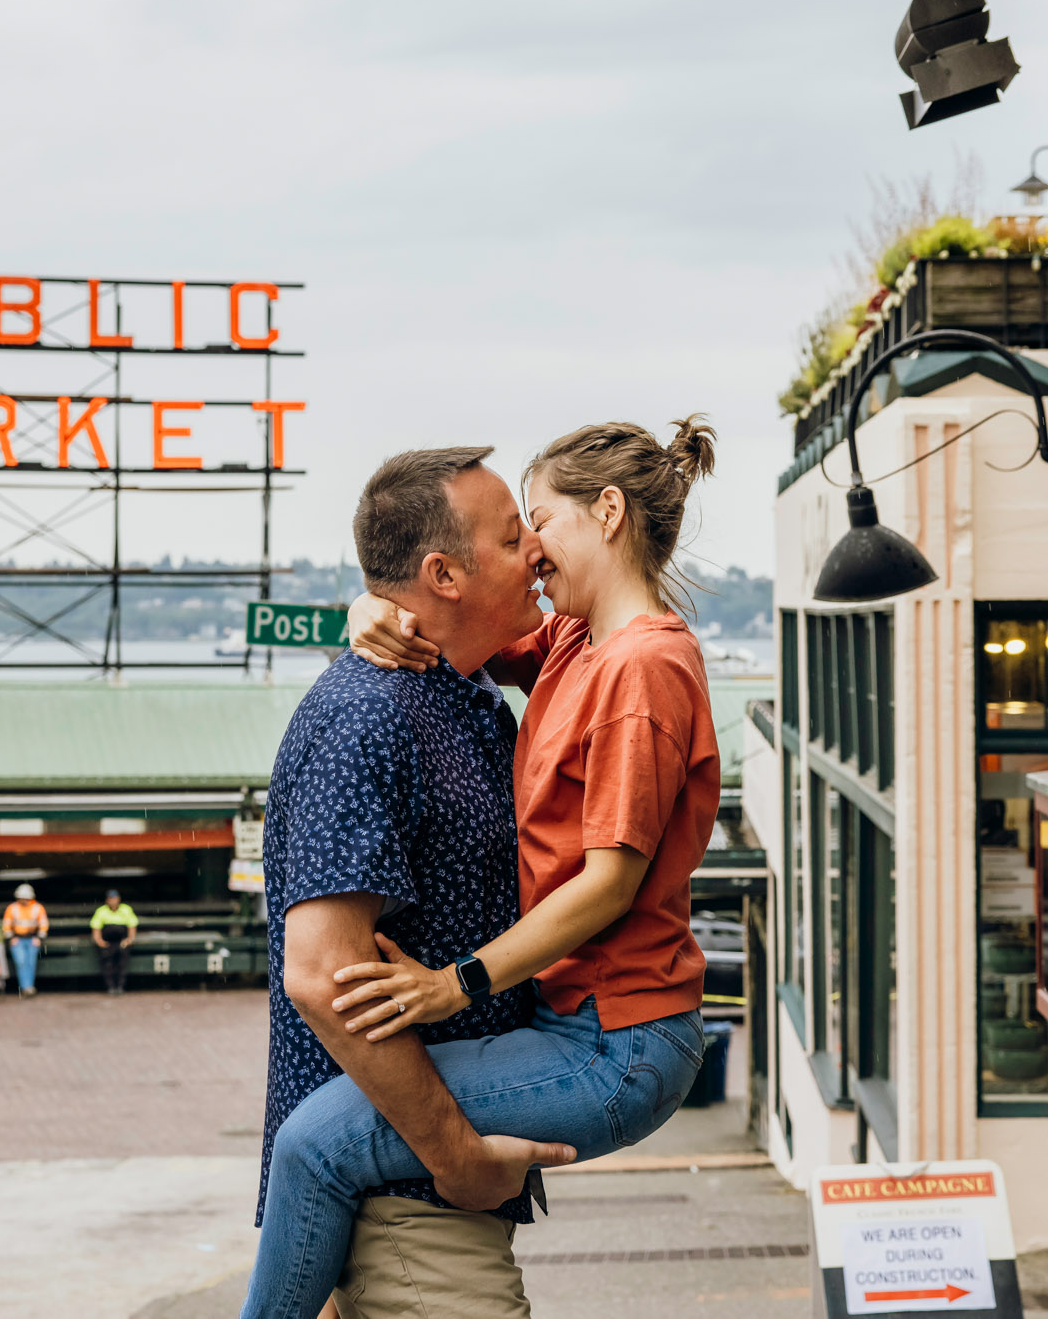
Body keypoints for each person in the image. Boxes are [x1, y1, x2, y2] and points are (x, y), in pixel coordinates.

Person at [243, 419, 720, 1319]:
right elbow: (447, 628)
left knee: (312, 1140)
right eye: (516, 533)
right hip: (562, 1039)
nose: (533, 552)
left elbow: (611, 882)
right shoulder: (571, 645)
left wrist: (456, 987)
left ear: (607, 512)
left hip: (615, 1034)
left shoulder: (643, 667)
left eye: (536, 522)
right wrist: (369, 609)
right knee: (312, 1140)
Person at [3, 883, 49, 997]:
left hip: (32, 939)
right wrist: (11, 937)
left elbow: (43, 923)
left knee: (30, 963)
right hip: (17, 939)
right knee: (21, 962)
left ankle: (29, 987)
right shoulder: (12, 908)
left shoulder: (37, 908)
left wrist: (39, 937)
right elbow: (6, 924)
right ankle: (26, 987)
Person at [90, 890, 137, 995]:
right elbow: (96, 929)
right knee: (108, 964)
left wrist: (129, 940)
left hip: (122, 942)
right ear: (107, 900)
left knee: (122, 964)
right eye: (110, 899)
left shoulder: (126, 910)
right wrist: (100, 942)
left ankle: (120, 986)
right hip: (107, 943)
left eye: (115, 898)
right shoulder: (101, 911)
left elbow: (132, 927)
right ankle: (110, 987)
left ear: (119, 899)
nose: (113, 901)